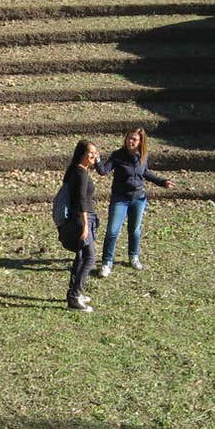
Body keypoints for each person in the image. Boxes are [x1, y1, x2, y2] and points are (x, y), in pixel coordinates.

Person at [96, 128, 174, 277]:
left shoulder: (143, 156)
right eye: (129, 138)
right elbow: (104, 171)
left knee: (135, 230)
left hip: (138, 198)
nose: (130, 141)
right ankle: (107, 262)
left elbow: (145, 172)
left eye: (134, 139)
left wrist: (162, 182)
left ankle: (133, 256)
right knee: (113, 231)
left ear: (140, 142)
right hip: (120, 198)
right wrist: (98, 160)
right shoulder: (117, 155)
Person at [62, 139, 100, 312]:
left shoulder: (75, 170)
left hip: (78, 218)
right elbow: (81, 201)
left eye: (95, 152)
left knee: (80, 257)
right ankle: (75, 297)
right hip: (82, 219)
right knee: (90, 258)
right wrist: (85, 225)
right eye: (89, 153)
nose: (93, 155)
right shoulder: (81, 173)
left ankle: (74, 293)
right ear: (82, 154)